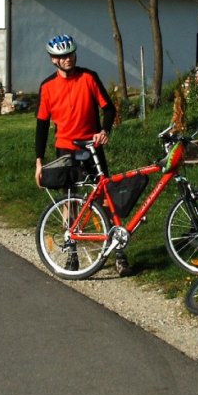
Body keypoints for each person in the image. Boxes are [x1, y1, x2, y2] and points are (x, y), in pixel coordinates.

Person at [34, 34, 130, 275]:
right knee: (71, 201)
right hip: (66, 148)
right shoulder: (47, 87)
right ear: (53, 60)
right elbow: (42, 126)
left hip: (91, 147)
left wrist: (104, 131)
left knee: (105, 197)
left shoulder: (89, 77)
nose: (68, 59)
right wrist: (39, 162)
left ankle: (119, 252)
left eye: (71, 54)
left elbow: (108, 109)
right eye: (62, 56)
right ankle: (72, 252)